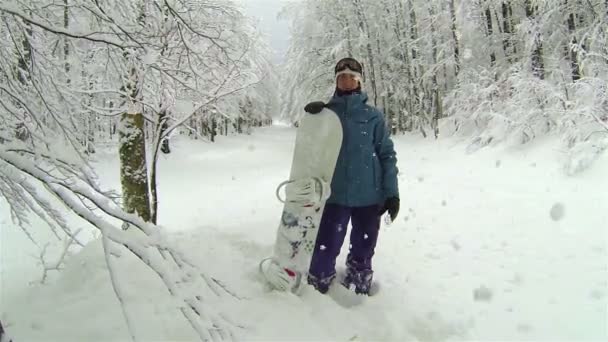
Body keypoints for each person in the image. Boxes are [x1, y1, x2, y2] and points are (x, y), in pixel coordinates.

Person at [303, 57, 400, 295]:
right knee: (325, 247)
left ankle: (359, 284)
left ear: (359, 82)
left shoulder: (373, 116)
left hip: (369, 196)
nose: (346, 81)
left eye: (352, 77)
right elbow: (310, 150)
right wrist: (312, 120)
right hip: (334, 195)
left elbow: (387, 154)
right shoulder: (326, 114)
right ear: (336, 82)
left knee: (364, 248)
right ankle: (318, 284)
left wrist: (392, 193)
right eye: (341, 77)